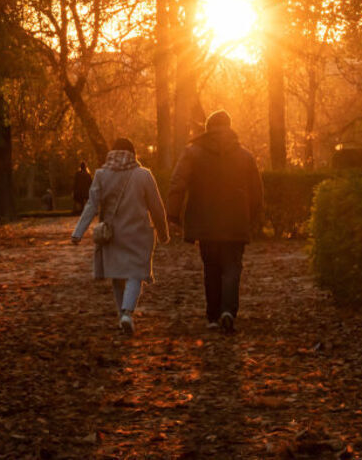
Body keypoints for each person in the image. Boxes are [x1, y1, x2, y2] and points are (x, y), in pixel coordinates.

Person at [166, 110, 264, 333]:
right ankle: (228, 311)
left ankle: (212, 316)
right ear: (229, 127)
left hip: (205, 222)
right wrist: (255, 217)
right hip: (236, 221)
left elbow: (178, 182)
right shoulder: (245, 156)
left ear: (208, 128)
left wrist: (172, 212)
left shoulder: (192, 153)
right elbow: (257, 191)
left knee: (210, 268)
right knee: (232, 267)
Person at [71, 138, 170, 335]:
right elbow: (156, 207)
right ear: (133, 154)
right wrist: (163, 232)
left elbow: (91, 205)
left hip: (112, 235)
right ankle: (127, 313)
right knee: (135, 274)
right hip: (139, 234)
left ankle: (121, 314)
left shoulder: (101, 175)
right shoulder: (144, 175)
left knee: (117, 276)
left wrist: (78, 233)